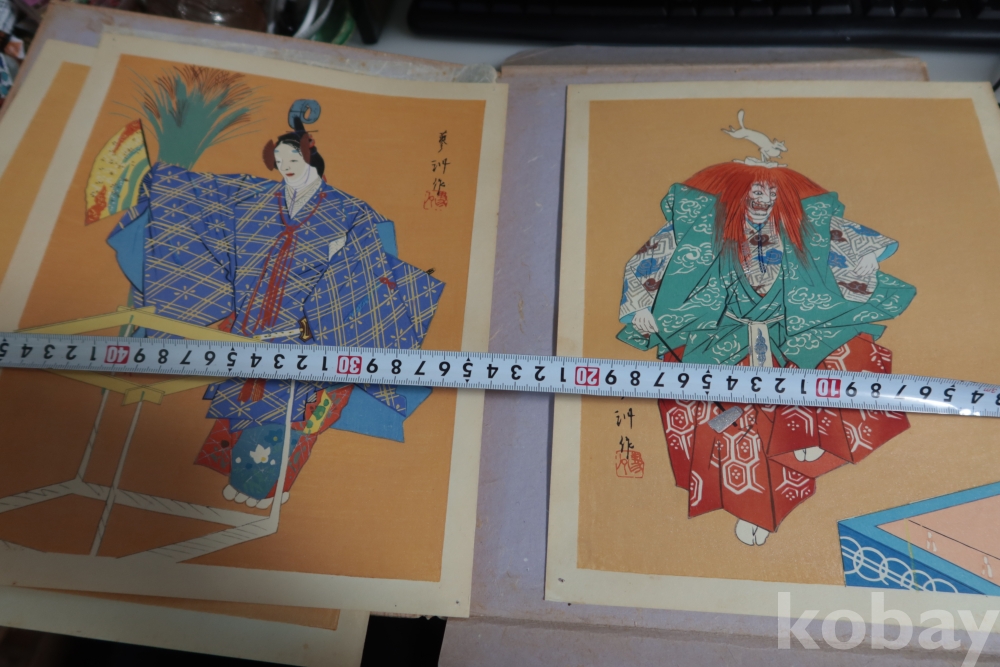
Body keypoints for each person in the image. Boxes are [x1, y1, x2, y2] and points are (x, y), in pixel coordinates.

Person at [101, 108, 444, 509]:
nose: (285, 166)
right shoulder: (258, 196)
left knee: (292, 412)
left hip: (308, 332)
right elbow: (210, 193)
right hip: (252, 321)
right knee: (240, 401)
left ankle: (266, 487)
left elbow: (371, 269)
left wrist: (335, 285)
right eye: (279, 160)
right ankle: (235, 479)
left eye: (292, 158)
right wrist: (159, 179)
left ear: (312, 158)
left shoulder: (351, 212)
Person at [617, 112, 915, 546]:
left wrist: (868, 257)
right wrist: (641, 307)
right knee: (731, 423)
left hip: (788, 330)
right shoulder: (703, 228)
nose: (763, 199)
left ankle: (810, 440)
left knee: (846, 358)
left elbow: (846, 238)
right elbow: (648, 259)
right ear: (738, 193)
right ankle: (751, 508)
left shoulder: (797, 226)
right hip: (724, 336)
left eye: (771, 192)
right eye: (756, 191)